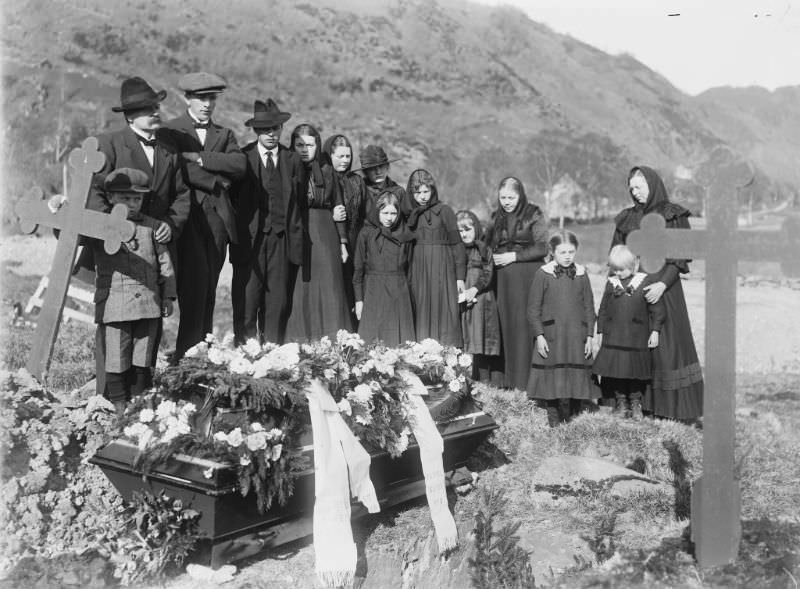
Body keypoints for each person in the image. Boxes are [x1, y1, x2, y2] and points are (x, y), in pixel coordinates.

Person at [84, 76, 189, 394]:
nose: (155, 112)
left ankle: (142, 402)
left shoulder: (170, 149)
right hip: (119, 256)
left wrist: (169, 223)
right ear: (130, 116)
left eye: (156, 107)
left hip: (156, 252)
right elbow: (94, 194)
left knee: (148, 337)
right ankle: (111, 401)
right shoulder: (110, 143)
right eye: (147, 109)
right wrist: (115, 229)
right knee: (117, 338)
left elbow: (182, 195)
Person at [163, 72, 246, 359]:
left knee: (209, 287)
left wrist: (200, 158)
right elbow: (176, 170)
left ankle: (203, 355)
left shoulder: (224, 134)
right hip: (186, 220)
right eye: (201, 98)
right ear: (187, 99)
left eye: (211, 98)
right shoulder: (171, 131)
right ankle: (187, 356)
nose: (207, 104)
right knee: (192, 288)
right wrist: (215, 181)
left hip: (217, 222)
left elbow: (238, 165)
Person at [611, 166, 704, 420]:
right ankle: (639, 403)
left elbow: (680, 258)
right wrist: (618, 291)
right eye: (631, 188)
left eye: (639, 187)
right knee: (633, 346)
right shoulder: (626, 218)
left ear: (653, 185)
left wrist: (662, 285)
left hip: (665, 290)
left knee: (667, 347)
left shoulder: (673, 215)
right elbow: (616, 257)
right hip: (632, 293)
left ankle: (670, 408)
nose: (635, 192)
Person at [92, 168, 176, 416]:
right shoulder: (101, 226)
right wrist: (58, 208)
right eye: (125, 198)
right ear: (110, 198)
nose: (132, 204)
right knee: (117, 354)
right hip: (115, 304)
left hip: (149, 302)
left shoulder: (153, 227)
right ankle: (119, 404)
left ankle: (141, 402)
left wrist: (168, 296)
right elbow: (72, 233)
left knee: (144, 355)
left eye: (137, 199)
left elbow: (164, 263)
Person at [230, 99, 308, 345]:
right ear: (256, 131)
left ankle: (273, 356)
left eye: (275, 129)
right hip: (249, 243)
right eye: (265, 130)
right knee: (247, 300)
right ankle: (244, 356)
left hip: (281, 242)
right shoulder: (242, 158)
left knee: (277, 303)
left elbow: (300, 202)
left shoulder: (292, 160)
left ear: (282, 129)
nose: (271, 134)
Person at [285, 127, 353, 340]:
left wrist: (342, 242)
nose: (305, 150)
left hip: (325, 233)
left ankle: (334, 341)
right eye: (299, 145)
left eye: (310, 145)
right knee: (300, 287)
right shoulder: (286, 167)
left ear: (317, 145)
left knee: (330, 285)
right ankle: (301, 339)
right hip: (297, 230)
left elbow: (339, 204)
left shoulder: (327, 170)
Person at [526, 231, 598, 427]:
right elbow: (533, 309)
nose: (567, 256)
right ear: (553, 252)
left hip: (576, 335)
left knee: (575, 375)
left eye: (571, 252)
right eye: (562, 252)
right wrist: (540, 336)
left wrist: (590, 335)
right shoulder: (543, 274)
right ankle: (554, 420)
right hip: (552, 335)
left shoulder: (582, 274)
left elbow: (589, 307)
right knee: (553, 378)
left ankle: (572, 419)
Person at [486, 177, 549, 391]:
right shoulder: (496, 217)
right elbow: (486, 244)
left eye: (511, 197)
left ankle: (525, 379)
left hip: (526, 278)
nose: (506, 202)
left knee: (523, 325)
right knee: (505, 324)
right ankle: (505, 378)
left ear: (520, 195)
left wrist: (514, 256)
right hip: (502, 281)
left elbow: (542, 247)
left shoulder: (533, 213)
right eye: (503, 197)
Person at [593, 245, 666, 420]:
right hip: (614, 337)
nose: (618, 273)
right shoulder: (612, 284)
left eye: (622, 269)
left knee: (635, 373)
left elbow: (658, 310)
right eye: (615, 269)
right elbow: (603, 309)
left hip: (636, 338)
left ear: (633, 265)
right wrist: (600, 330)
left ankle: (635, 403)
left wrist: (655, 331)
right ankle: (621, 403)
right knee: (617, 372)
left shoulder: (644, 282)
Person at [406, 169, 466, 347]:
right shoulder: (409, 215)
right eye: (418, 193)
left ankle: (446, 360)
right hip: (419, 270)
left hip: (442, 269)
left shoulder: (445, 211)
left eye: (426, 191)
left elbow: (457, 244)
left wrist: (460, 277)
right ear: (411, 193)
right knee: (421, 308)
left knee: (443, 311)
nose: (422, 197)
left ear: (432, 191)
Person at [352, 193, 415, 346]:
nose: (389, 218)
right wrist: (359, 300)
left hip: (399, 291)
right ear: (377, 212)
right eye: (385, 213)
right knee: (371, 339)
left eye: (393, 213)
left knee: (398, 342)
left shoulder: (405, 235)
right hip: (373, 290)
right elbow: (358, 269)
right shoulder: (366, 234)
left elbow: (411, 270)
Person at [456, 210, 502, 384]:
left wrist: (474, 290)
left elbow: (488, 273)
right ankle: (462, 384)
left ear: (475, 228)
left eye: (468, 229)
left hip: (481, 300)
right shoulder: (456, 251)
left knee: (479, 340)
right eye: (460, 231)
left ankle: (484, 383)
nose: (464, 234)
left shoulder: (483, 249)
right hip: (462, 301)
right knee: (463, 340)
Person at [357, 145, 406, 221]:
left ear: (387, 167)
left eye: (381, 166)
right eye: (372, 168)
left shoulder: (399, 192)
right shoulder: (359, 191)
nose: (378, 172)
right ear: (365, 171)